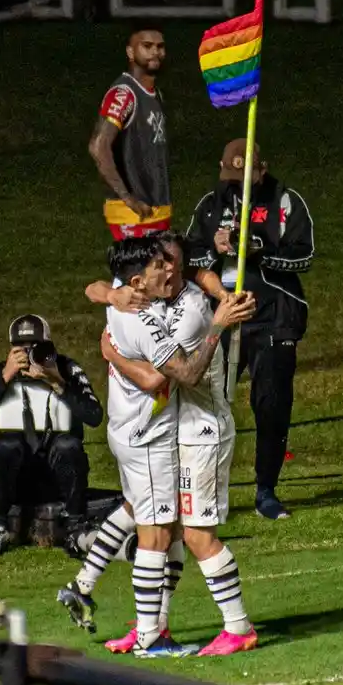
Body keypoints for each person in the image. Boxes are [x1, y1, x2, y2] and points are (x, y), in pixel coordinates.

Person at [61, 233, 260, 656]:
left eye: (174, 264)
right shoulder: (142, 301)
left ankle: (232, 627)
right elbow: (104, 288)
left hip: (201, 431)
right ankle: (153, 625)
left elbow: (179, 374)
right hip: (165, 431)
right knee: (162, 530)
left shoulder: (186, 310)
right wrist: (107, 293)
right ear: (139, 278)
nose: (168, 270)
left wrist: (220, 312)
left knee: (188, 535)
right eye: (160, 264)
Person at [186, 140, 314, 521]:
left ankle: (266, 491)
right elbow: (185, 257)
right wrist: (214, 246)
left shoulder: (285, 201)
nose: (236, 185)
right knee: (208, 404)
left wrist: (258, 249)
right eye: (230, 177)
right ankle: (206, 491)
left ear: (262, 169)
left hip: (273, 317)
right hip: (222, 317)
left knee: (271, 404)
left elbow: (304, 254)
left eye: (245, 178)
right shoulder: (210, 205)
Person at [0, 315, 103, 559]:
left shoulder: (67, 369)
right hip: (20, 474)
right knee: (5, 445)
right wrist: (5, 377)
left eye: (35, 347)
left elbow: (94, 415)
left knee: (68, 444)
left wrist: (57, 382)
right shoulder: (3, 371)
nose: (29, 354)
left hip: (58, 472)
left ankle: (76, 527)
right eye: (21, 348)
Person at [89, 27, 172, 240]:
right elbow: (99, 146)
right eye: (147, 46)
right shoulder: (124, 94)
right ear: (130, 52)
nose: (155, 52)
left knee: (165, 270)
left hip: (157, 208)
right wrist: (127, 198)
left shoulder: (155, 94)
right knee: (141, 272)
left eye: (160, 47)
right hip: (134, 213)